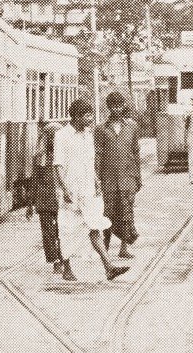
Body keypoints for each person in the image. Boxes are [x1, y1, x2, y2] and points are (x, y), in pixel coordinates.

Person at [53, 99, 130, 281]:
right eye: (87, 115)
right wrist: (64, 189)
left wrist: (96, 181)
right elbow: (58, 165)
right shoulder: (62, 135)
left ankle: (108, 267)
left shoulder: (88, 135)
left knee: (95, 226)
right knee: (68, 229)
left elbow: (90, 162)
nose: (90, 119)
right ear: (77, 116)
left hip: (87, 188)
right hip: (70, 189)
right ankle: (67, 267)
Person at [95, 92, 142, 259]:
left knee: (126, 212)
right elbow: (98, 154)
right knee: (107, 213)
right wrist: (97, 178)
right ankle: (105, 247)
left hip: (128, 177)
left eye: (119, 105)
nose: (116, 109)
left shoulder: (132, 127)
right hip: (108, 179)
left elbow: (136, 153)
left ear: (123, 106)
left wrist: (138, 177)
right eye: (113, 106)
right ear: (108, 107)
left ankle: (124, 248)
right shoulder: (101, 129)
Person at [28, 120, 64, 273]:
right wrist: (30, 204)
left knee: (59, 230)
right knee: (51, 231)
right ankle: (56, 260)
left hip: (59, 199)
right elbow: (34, 181)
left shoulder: (63, 155)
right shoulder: (39, 157)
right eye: (51, 136)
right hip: (46, 199)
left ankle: (61, 258)